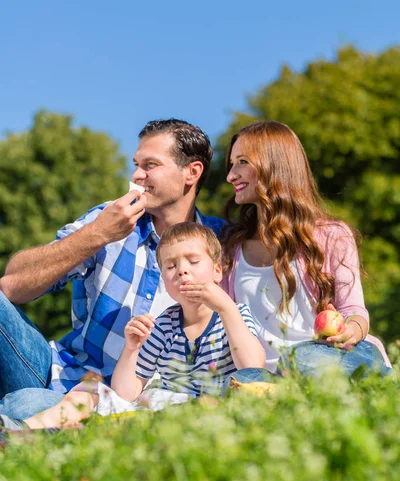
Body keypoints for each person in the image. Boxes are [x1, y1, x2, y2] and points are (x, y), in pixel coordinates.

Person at [0, 119, 225, 421]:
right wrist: (97, 234)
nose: (136, 175)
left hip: (140, 401)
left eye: (150, 165)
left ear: (191, 172)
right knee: (29, 401)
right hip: (65, 377)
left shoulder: (222, 242)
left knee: (24, 406)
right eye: (136, 164)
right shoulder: (109, 219)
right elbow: (12, 285)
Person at [220, 120, 391, 377]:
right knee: (244, 377)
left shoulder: (331, 236)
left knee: (303, 357)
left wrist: (351, 330)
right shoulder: (230, 247)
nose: (231, 175)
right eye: (232, 164)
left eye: (243, 162)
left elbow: (353, 310)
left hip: (319, 359)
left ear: (275, 165)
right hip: (261, 372)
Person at [111, 222, 266, 403]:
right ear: (164, 280)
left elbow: (253, 369)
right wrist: (131, 349)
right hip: (177, 414)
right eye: (170, 266)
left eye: (193, 261)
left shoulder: (234, 314)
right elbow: (125, 395)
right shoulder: (163, 327)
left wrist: (226, 308)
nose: (182, 271)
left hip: (225, 409)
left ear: (217, 271)